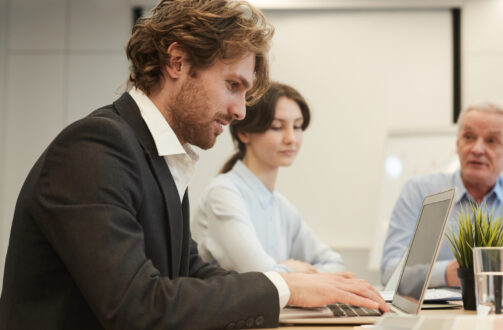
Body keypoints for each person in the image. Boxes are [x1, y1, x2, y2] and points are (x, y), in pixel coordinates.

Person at [0, 1, 387, 328]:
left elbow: (190, 271)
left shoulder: (158, 156)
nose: (239, 111)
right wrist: (285, 288)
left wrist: (294, 298)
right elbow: (135, 304)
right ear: (178, 62)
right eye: (233, 85)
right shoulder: (95, 147)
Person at [381, 101, 503, 288]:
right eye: (468, 137)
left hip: (500, 310)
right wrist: (446, 274)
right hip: (438, 312)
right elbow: (389, 270)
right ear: (457, 144)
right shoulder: (419, 190)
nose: (477, 149)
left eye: (491, 140)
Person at [192, 82, 345, 274]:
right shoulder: (223, 194)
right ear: (244, 133)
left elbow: (337, 265)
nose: (291, 138)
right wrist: (292, 271)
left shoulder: (280, 206)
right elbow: (263, 277)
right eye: (277, 127)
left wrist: (291, 271)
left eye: (297, 126)